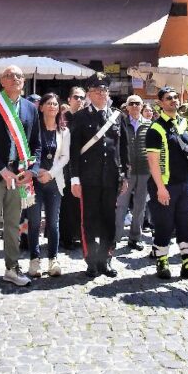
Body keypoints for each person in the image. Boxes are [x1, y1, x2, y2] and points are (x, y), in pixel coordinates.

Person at [0, 65, 40, 289]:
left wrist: (31, 171)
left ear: (24, 81)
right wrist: (2, 169)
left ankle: (12, 268)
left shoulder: (31, 109)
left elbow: (36, 145)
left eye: (19, 76)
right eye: (9, 76)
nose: (15, 79)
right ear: (2, 81)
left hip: (20, 175)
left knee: (14, 224)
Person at [145, 87, 188, 281]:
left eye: (175, 97)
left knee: (187, 223)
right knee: (164, 225)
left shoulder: (185, 124)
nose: (173, 100)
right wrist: (161, 188)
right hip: (165, 185)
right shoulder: (156, 128)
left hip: (185, 184)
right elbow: (153, 162)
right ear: (161, 103)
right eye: (168, 98)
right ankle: (162, 261)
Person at [69, 73, 128, 278]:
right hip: (88, 178)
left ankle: (106, 258)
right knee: (89, 220)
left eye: (104, 90)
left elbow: (124, 149)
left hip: (111, 178)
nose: (102, 93)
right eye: (97, 90)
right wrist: (74, 179)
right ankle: (91, 261)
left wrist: (124, 175)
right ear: (89, 94)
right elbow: (73, 150)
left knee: (108, 220)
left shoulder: (117, 116)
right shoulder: (79, 117)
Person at [27, 92, 67, 278]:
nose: (52, 106)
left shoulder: (64, 131)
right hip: (34, 182)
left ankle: (53, 259)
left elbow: (65, 157)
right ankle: (34, 260)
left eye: (55, 103)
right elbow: (28, 153)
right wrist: (38, 171)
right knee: (34, 222)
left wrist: (50, 173)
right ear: (41, 107)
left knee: (53, 223)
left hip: (54, 181)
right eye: (48, 103)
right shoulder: (33, 129)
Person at [115, 94, 150, 250]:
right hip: (127, 172)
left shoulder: (149, 124)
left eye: (138, 103)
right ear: (127, 107)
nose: (135, 106)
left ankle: (135, 238)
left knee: (140, 206)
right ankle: (115, 238)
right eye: (132, 103)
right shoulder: (121, 124)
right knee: (121, 205)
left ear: (142, 106)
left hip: (144, 171)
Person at [59, 86, 86, 251]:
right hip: (64, 168)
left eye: (82, 97)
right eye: (76, 97)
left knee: (78, 204)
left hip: (83, 167)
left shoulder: (86, 118)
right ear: (69, 100)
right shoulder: (61, 118)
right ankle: (65, 237)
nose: (79, 100)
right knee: (65, 204)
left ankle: (77, 235)